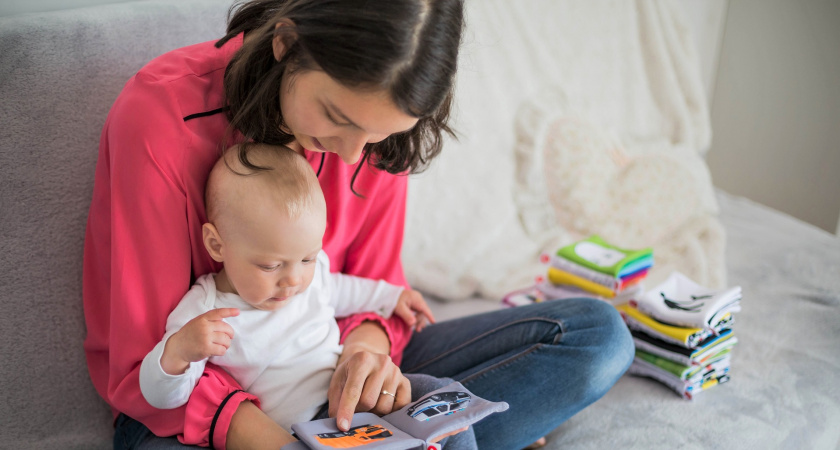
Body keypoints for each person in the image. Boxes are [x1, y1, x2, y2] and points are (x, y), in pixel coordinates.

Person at [83, 0, 635, 449]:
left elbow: (374, 290)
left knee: (598, 337)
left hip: (329, 373)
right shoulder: (159, 119)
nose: (352, 156)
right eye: (338, 119)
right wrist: (276, 443)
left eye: (375, 137)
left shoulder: (375, 135)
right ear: (286, 42)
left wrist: (364, 357)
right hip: (190, 410)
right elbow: (145, 367)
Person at [138, 143, 438, 434]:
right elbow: (163, 398)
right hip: (303, 430)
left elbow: (343, 290)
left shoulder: (309, 274)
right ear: (217, 245)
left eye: (308, 258)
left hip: (349, 397)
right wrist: (178, 352)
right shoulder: (205, 311)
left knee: (437, 397)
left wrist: (392, 296)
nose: (293, 280)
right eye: (270, 266)